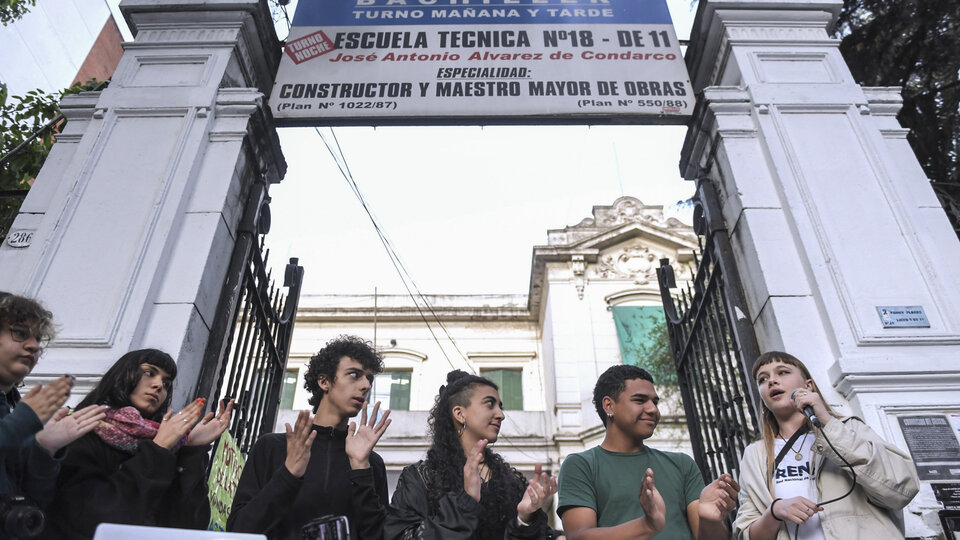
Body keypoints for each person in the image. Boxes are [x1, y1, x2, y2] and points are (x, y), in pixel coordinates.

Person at [43, 348, 233, 539]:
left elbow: (190, 526)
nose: (159, 385)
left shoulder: (167, 444)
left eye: (167, 383)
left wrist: (190, 450)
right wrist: (157, 450)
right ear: (123, 373)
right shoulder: (82, 429)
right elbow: (94, 517)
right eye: (149, 373)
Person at [733, 351, 919, 540]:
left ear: (808, 386)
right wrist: (774, 512)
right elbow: (745, 534)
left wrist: (829, 424)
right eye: (762, 379)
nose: (771, 381)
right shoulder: (754, 454)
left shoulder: (849, 428)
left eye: (782, 372)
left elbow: (903, 489)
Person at [228, 335, 392, 540]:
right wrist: (288, 474)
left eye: (369, 378)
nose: (366, 385)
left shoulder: (370, 463)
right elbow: (238, 531)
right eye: (354, 374)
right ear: (324, 381)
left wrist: (361, 471)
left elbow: (379, 536)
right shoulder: (272, 447)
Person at [557, 364, 739, 540]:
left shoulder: (682, 464)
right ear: (609, 406)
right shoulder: (581, 465)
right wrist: (647, 525)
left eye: (655, 402)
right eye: (639, 400)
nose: (653, 409)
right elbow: (579, 535)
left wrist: (710, 519)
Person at [385, 370, 559, 540]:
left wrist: (524, 519)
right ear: (460, 414)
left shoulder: (511, 481)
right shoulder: (421, 477)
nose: (501, 415)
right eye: (490, 404)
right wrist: (465, 502)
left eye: (500, 407)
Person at [0, 292, 105, 510]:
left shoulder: (17, 410)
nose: (34, 346)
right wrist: (22, 422)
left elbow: (35, 503)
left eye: (38, 339)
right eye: (20, 333)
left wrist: (44, 449)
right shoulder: (23, 417)